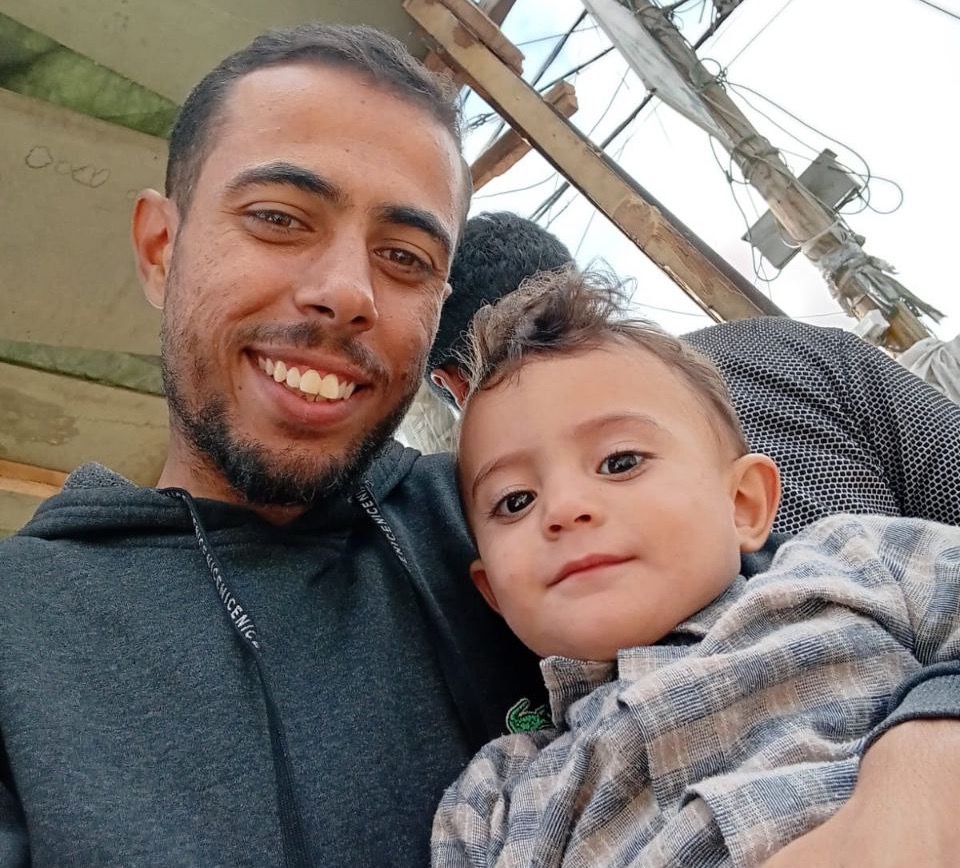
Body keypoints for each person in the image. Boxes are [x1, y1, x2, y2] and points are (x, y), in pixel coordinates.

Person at [0, 24, 543, 867]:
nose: (346, 292)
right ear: (161, 250)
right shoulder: (20, 627)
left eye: (405, 257)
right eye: (280, 219)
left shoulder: (520, 519)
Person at [432, 268, 960, 867]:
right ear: (493, 593)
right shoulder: (492, 799)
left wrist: (924, 762)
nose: (563, 508)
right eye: (515, 501)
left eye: (620, 462)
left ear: (743, 504)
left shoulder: (853, 563)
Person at [423, 211, 960, 536]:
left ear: (452, 384)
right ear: (584, 290)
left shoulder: (473, 519)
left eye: (622, 462)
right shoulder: (783, 347)